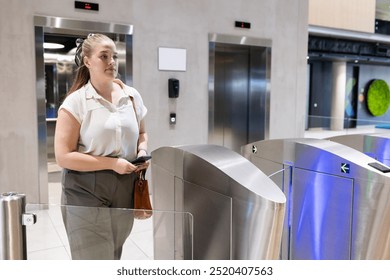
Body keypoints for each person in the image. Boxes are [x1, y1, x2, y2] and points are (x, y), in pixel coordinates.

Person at [54, 33, 149, 260]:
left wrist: (142, 152)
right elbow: (63, 156)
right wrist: (113, 163)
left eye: (113, 56)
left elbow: (143, 133)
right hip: (85, 188)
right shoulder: (76, 102)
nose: (112, 62)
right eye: (104, 56)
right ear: (87, 61)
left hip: (125, 186)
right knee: (93, 259)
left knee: (114, 254)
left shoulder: (132, 96)